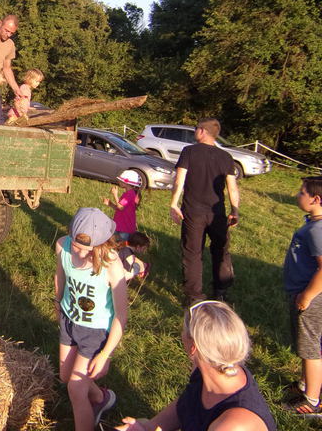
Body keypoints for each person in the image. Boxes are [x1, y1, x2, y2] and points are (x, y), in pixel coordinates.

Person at [116, 300, 276, 431]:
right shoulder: (211, 368)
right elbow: (186, 406)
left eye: (183, 332)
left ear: (193, 347)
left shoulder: (234, 425)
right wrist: (147, 427)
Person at [55, 207, 128, 431]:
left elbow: (121, 315)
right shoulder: (63, 246)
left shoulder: (111, 265)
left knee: (76, 390)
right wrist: (58, 305)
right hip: (69, 321)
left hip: (95, 332)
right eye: (76, 246)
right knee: (65, 376)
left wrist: (106, 354)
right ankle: (100, 398)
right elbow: (60, 277)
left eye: (86, 249)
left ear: (100, 245)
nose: (78, 253)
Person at [169, 118, 240, 304]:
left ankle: (194, 296)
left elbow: (179, 180)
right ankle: (221, 291)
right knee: (221, 251)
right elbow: (232, 188)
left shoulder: (189, 151)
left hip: (193, 212)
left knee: (192, 253)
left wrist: (174, 203)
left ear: (202, 131)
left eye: (196, 129)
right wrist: (235, 210)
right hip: (218, 213)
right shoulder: (226, 157)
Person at [282, 176, 322, 416]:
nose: (298, 195)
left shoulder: (318, 230)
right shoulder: (313, 224)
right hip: (303, 295)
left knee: (310, 348)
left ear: (316, 199)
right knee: (304, 344)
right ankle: (306, 384)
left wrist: (307, 296)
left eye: (301, 192)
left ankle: (312, 401)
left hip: (312, 299)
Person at [104, 170, 143, 243]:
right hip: (120, 226)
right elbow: (119, 208)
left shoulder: (130, 194)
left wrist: (115, 194)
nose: (119, 182)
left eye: (121, 180)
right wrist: (110, 204)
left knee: (117, 245)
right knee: (113, 244)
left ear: (127, 182)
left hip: (124, 228)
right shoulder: (127, 193)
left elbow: (120, 207)